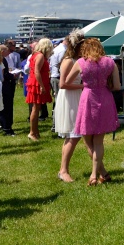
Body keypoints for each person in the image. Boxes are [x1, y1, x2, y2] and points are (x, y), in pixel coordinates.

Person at [67, 39, 121, 186]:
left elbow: (67, 81)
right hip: (105, 98)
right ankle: (102, 173)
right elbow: (117, 86)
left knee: (87, 140)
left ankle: (93, 175)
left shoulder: (81, 62)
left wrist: (84, 85)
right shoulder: (110, 62)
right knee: (98, 141)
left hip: (88, 98)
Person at [54, 31, 89, 183]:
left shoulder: (77, 59)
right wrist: (83, 86)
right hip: (69, 97)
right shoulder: (68, 61)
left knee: (74, 135)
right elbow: (62, 84)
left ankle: (63, 169)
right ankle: (63, 170)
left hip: (76, 95)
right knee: (74, 134)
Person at [25, 38, 54, 142]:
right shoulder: (40, 56)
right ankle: (32, 132)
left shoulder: (35, 55)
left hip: (36, 82)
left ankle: (35, 131)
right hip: (37, 83)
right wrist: (42, 86)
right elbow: (37, 71)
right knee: (36, 108)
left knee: (37, 108)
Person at [0, 44, 17, 136]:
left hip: (3, 85)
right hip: (4, 86)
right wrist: (12, 76)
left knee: (4, 107)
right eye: (7, 51)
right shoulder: (2, 60)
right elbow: (4, 74)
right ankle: (6, 127)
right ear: (2, 51)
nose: (9, 52)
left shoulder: (1, 59)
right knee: (6, 107)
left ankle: (4, 125)